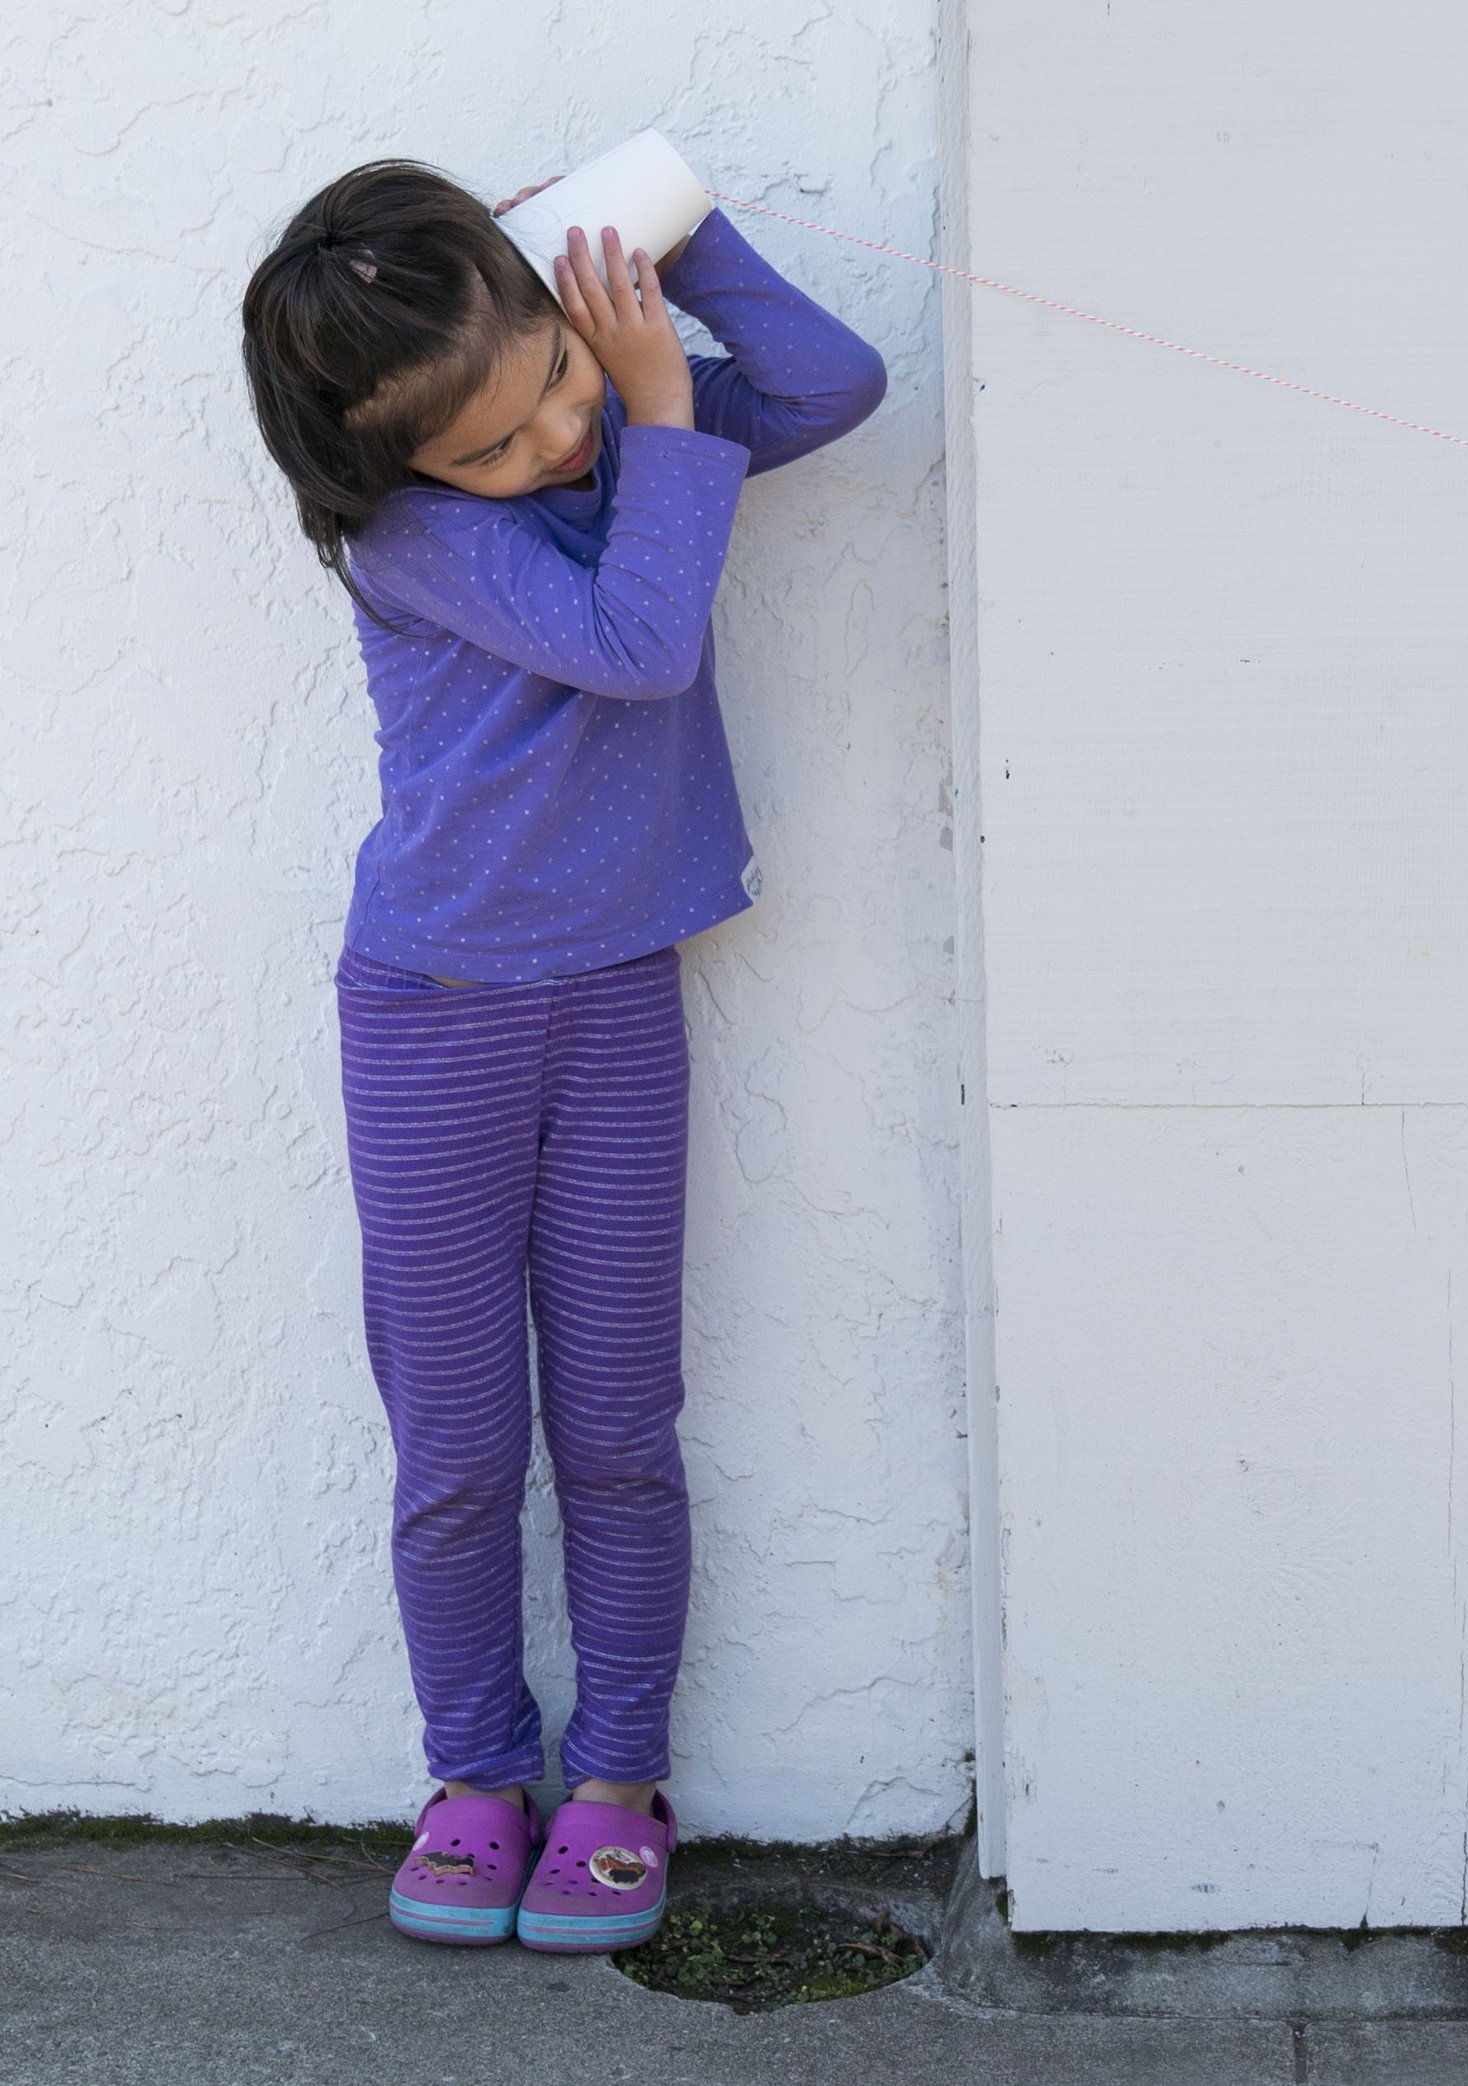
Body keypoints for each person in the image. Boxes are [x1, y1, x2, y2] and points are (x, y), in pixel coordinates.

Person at [239, 158, 886, 1951]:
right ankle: (472, 1772)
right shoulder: (416, 536)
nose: (553, 441)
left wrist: (680, 236)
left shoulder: (619, 438)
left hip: (612, 1001)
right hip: (435, 1015)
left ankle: (616, 1776)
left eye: (560, 383)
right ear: (394, 477)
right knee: (455, 1439)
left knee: (616, 1424)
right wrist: (663, 409)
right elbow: (640, 640)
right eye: (500, 442)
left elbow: (838, 386)